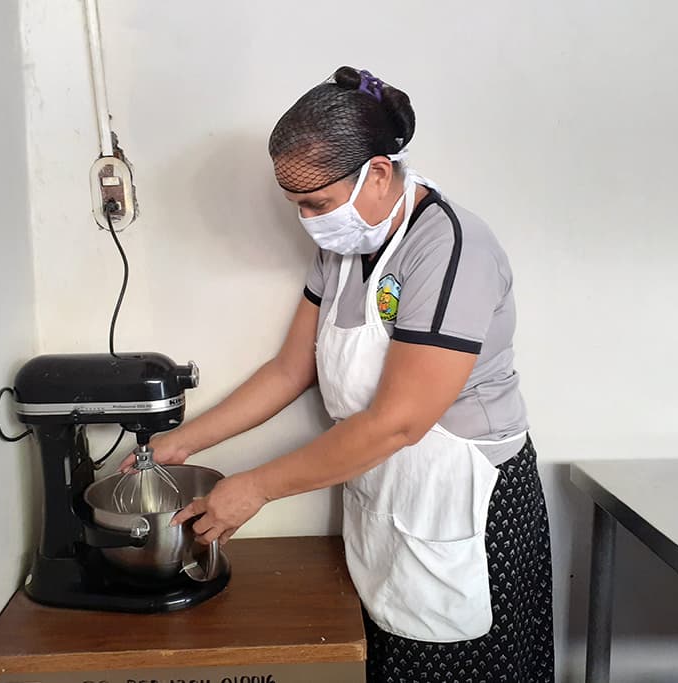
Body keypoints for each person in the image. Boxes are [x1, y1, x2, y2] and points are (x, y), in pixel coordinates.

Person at [123, 66, 554, 682]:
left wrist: (256, 488)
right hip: (388, 499)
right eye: (295, 204)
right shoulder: (343, 249)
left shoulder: (450, 251)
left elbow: (398, 422)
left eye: (316, 203)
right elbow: (289, 369)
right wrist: (178, 444)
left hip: (465, 509)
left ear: (377, 172)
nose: (307, 220)